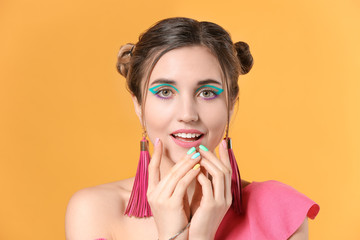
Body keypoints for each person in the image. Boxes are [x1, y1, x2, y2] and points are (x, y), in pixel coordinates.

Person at [65, 17, 320, 240]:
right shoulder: (95, 211)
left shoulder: (278, 211)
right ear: (139, 105)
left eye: (207, 92)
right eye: (165, 92)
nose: (187, 115)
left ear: (231, 105)